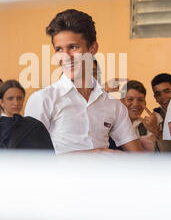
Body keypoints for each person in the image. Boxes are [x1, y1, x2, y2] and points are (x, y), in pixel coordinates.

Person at [24, 9, 144, 155]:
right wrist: (95, 154)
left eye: (73, 47)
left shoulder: (114, 106)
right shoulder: (43, 99)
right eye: (59, 49)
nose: (66, 56)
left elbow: (139, 159)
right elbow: (31, 163)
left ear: (93, 48)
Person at [0, 80, 53, 150]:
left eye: (19, 98)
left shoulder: (32, 125)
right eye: (10, 99)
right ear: (1, 102)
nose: (16, 103)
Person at [120, 80, 163, 151]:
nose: (136, 104)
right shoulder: (112, 124)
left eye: (140, 100)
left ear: (145, 102)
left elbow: (164, 154)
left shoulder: (150, 124)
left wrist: (155, 130)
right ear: (121, 101)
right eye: (130, 99)